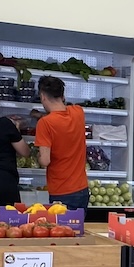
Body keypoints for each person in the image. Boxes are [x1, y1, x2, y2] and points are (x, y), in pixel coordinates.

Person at [34, 75, 89, 211]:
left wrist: (37, 155)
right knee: (78, 231)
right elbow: (61, 117)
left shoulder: (45, 124)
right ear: (63, 96)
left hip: (61, 192)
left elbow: (45, 161)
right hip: (82, 189)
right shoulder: (78, 112)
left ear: (43, 96)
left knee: (62, 232)